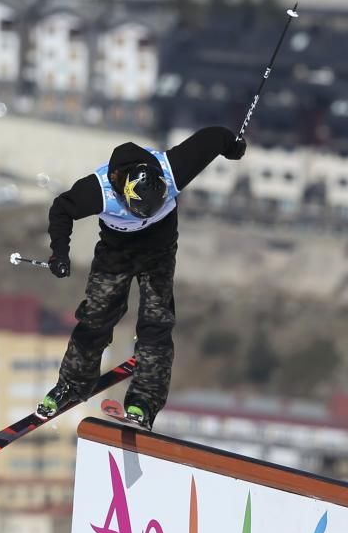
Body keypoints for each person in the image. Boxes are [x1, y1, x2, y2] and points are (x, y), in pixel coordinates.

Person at [37, 126, 247, 430]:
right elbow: (61, 210)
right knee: (96, 317)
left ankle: (144, 401)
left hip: (158, 254)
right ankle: (72, 383)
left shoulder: (174, 169)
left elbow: (214, 137)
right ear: (123, 193)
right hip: (115, 254)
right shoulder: (97, 190)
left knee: (156, 325)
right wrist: (59, 253)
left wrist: (233, 146)